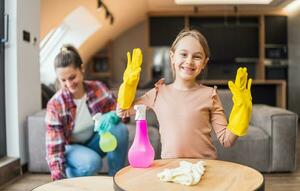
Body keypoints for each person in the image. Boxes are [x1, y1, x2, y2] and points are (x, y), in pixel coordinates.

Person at [117, 29, 252, 160]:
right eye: (183, 54)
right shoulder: (158, 93)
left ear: (204, 62)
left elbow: (227, 140)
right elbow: (122, 111)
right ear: (172, 57)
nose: (189, 61)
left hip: (205, 167)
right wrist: (129, 85)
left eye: (197, 56)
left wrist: (242, 112)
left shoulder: (210, 95)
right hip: (172, 170)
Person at [45, 44, 129, 181]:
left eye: (72, 77)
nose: (69, 83)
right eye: (63, 80)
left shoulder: (97, 88)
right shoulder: (55, 105)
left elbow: (121, 114)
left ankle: (115, 180)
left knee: (119, 129)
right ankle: (73, 175)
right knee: (92, 162)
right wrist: (58, 181)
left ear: (82, 69)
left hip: (94, 141)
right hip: (72, 149)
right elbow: (54, 150)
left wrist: (115, 115)